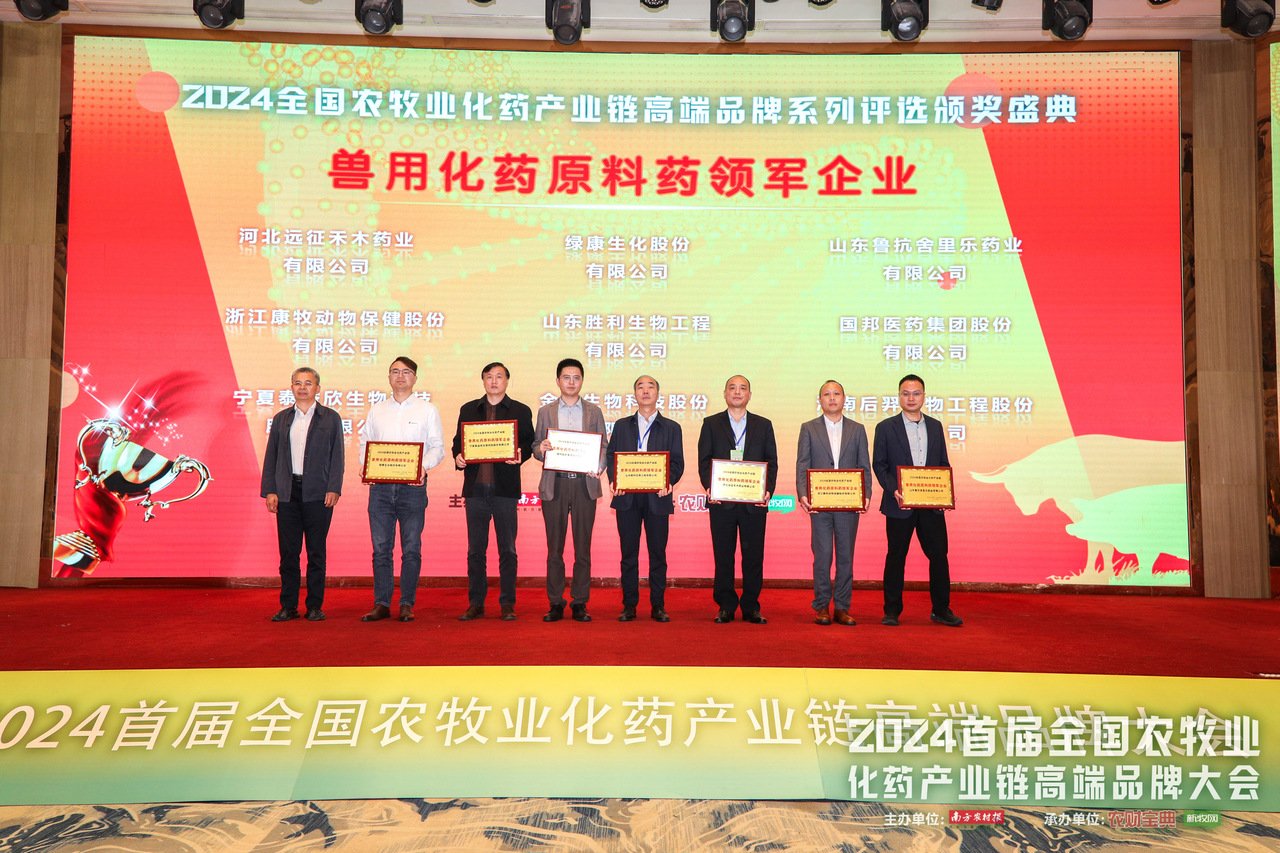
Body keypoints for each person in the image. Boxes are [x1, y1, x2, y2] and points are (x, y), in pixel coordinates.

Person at [872, 374, 963, 627]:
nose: (911, 398)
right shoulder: (885, 427)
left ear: (924, 396)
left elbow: (942, 464)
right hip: (899, 503)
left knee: (939, 556)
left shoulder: (935, 426)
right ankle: (892, 610)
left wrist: (946, 491)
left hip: (931, 505)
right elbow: (879, 465)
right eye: (906, 393)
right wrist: (894, 489)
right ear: (899, 396)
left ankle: (941, 609)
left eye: (916, 393)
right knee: (896, 557)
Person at [358, 356, 445, 623]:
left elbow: (437, 448)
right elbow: (365, 443)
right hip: (381, 489)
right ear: (388, 377)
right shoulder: (377, 410)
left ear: (415, 378)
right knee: (381, 549)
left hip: (413, 488)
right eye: (395, 371)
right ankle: (382, 603)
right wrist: (366, 466)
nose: (400, 376)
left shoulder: (427, 409)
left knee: (411, 549)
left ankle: (407, 603)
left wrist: (423, 467)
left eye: (406, 372)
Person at [451, 362, 535, 622]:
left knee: (507, 550)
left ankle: (507, 603)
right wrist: (458, 457)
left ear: (507, 381)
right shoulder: (469, 409)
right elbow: (458, 443)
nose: (494, 381)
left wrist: (521, 454)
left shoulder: (521, 410)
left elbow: (528, 443)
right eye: (490, 376)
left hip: (505, 490)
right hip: (475, 490)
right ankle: (476, 603)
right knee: (475, 551)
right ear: (483, 381)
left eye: (499, 376)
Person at [260, 367, 343, 622]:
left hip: (318, 493)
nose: (303, 387)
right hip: (287, 493)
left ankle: (315, 606)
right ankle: (289, 606)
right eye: (298, 383)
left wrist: (334, 487)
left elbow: (337, 456)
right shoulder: (282, 419)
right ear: (292, 387)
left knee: (316, 553)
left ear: (317, 388)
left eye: (308, 383)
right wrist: (270, 490)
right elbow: (271, 457)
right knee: (289, 553)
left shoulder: (330, 418)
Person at [697, 375, 778, 624]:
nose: (737, 392)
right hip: (722, 502)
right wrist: (710, 487)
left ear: (749, 395)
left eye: (742, 388)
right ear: (725, 394)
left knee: (753, 557)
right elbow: (704, 460)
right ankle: (726, 606)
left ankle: (751, 606)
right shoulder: (711, 423)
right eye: (732, 388)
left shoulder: (763, 425)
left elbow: (772, 461)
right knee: (723, 556)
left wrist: (767, 490)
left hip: (754, 502)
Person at [605, 375, 685, 623]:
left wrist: (668, 482)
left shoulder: (672, 427)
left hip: (657, 498)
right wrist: (615, 480)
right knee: (628, 554)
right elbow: (612, 456)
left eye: (651, 387)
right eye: (641, 387)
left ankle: (658, 605)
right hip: (627, 498)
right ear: (635, 394)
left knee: (657, 554)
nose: (646, 390)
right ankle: (629, 605)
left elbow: (677, 462)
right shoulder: (621, 425)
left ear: (658, 394)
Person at [533, 358, 606, 623]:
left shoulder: (594, 411)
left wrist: (598, 467)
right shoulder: (546, 411)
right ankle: (555, 602)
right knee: (554, 548)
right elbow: (535, 446)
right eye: (566, 377)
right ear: (558, 381)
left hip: (585, 484)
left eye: (576, 377)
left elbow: (603, 446)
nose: (571, 382)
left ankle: (580, 602)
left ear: (582, 381)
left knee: (582, 548)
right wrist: (541, 449)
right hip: (555, 484)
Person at [796, 380, 871, 626]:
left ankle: (841, 607)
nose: (831, 398)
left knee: (845, 557)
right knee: (823, 555)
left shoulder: (857, 429)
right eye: (826, 394)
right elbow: (802, 463)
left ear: (844, 399)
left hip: (848, 503)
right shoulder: (809, 428)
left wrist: (866, 494)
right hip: (819, 504)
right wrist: (803, 493)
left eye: (836, 393)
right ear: (820, 400)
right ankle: (821, 606)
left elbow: (864, 465)